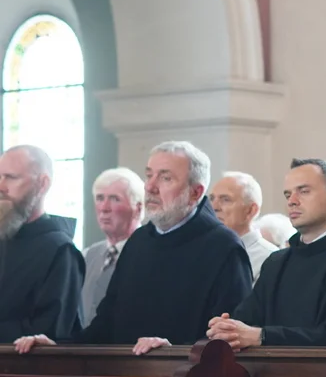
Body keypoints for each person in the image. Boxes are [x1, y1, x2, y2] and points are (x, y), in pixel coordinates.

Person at [15, 140, 252, 355]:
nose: (150, 186)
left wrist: (172, 353)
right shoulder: (140, 241)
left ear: (195, 192)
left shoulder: (223, 248)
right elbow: (106, 324)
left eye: (165, 178)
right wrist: (58, 350)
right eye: (149, 175)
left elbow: (227, 338)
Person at [207, 159, 326, 349]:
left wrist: (262, 336)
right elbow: (247, 320)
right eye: (288, 194)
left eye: (303, 191)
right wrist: (227, 328)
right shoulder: (277, 262)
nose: (292, 201)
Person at [0, 144, 84, 342]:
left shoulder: (60, 250)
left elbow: (50, 329)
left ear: (42, 184)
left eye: (11, 177)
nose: (1, 186)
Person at [83, 167, 143, 325]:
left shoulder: (148, 254)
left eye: (115, 199)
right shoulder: (87, 256)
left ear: (138, 208)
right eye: (100, 198)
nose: (104, 208)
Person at [210, 171, 277, 280]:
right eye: (212, 199)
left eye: (225, 200)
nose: (214, 207)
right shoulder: (206, 251)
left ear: (250, 210)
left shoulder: (270, 259)